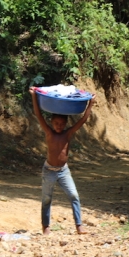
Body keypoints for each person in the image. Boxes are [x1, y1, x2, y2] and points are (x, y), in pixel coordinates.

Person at [29, 87, 96, 234]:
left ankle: (79, 226)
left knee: (74, 195)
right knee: (46, 199)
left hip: (63, 171)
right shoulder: (48, 132)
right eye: (56, 123)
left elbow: (83, 119)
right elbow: (38, 114)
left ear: (65, 124)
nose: (59, 126)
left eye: (61, 124)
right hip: (49, 171)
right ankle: (45, 227)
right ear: (52, 123)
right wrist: (34, 96)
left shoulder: (68, 133)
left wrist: (90, 103)